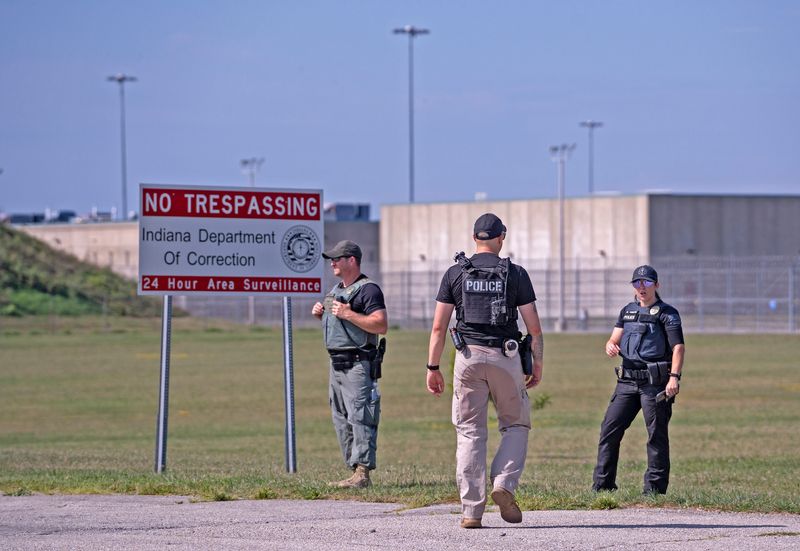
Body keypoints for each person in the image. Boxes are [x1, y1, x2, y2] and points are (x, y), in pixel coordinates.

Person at [426, 213, 544, 529]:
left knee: (469, 431)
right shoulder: (515, 274)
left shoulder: (455, 273)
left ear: (474, 238)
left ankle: (471, 512)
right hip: (505, 356)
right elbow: (534, 329)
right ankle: (504, 483)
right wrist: (537, 365)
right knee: (516, 423)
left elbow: (439, 326)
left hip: (467, 357)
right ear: (501, 237)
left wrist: (433, 367)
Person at [592, 265, 685, 495]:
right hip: (626, 382)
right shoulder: (627, 311)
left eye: (646, 282)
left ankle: (654, 489)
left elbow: (678, 348)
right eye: (637, 283)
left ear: (656, 285)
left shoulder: (667, 313)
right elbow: (614, 338)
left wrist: (674, 378)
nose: (641, 287)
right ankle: (603, 487)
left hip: (654, 383)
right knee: (609, 431)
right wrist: (610, 345)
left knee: (656, 434)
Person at [312, 240, 388, 489]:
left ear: (352, 261)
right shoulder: (335, 291)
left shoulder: (368, 290)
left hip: (358, 364)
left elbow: (380, 324)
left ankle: (363, 473)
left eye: (337, 258)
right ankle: (353, 470)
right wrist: (321, 314)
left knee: (361, 416)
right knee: (341, 419)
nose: (332, 262)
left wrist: (348, 314)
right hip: (336, 365)